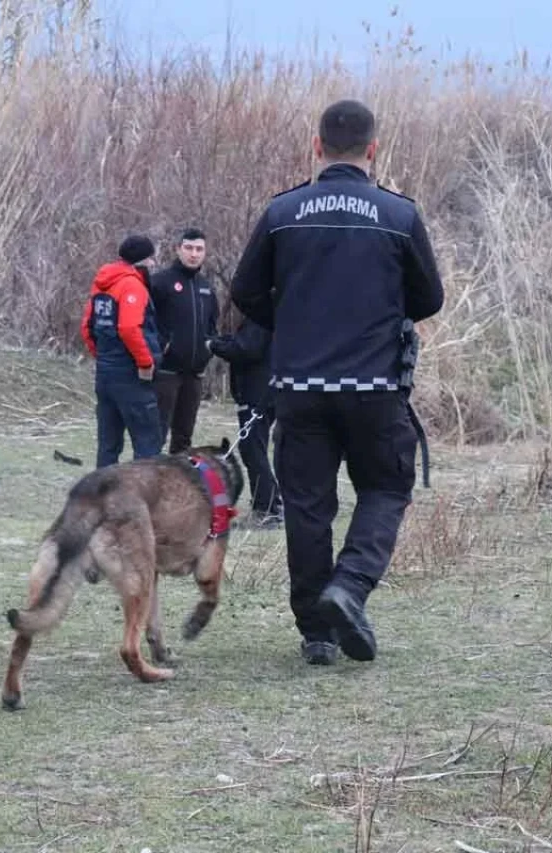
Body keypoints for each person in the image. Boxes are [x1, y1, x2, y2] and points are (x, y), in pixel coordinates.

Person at [230, 98, 445, 667]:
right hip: (375, 388)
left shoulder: (283, 213)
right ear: (373, 149)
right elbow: (430, 298)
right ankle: (348, 589)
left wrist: (295, 319)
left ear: (316, 145)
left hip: (298, 387)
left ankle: (316, 634)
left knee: (306, 507)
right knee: (386, 488)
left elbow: (245, 293)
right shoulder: (399, 216)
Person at [80, 235, 164, 468]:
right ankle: (144, 499)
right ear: (144, 260)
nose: (154, 263)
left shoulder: (102, 283)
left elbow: (87, 327)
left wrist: (103, 357)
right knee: (148, 445)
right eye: (152, 258)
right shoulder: (132, 285)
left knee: (108, 446)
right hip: (131, 377)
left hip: (105, 374)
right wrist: (145, 363)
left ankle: (100, 500)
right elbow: (128, 328)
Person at [207, 313, 282, 526]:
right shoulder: (264, 318)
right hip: (263, 392)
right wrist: (221, 341)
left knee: (253, 451)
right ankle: (270, 503)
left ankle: (267, 509)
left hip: (257, 394)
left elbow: (246, 349)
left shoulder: (260, 319)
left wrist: (214, 346)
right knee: (254, 450)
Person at [149, 228, 219, 454]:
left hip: (194, 375)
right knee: (154, 436)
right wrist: (161, 346)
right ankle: (147, 486)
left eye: (199, 249)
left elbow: (212, 325)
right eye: (188, 248)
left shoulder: (206, 287)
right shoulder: (160, 282)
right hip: (165, 372)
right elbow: (144, 321)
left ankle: (177, 487)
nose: (194, 254)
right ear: (178, 249)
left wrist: (208, 348)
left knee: (183, 439)